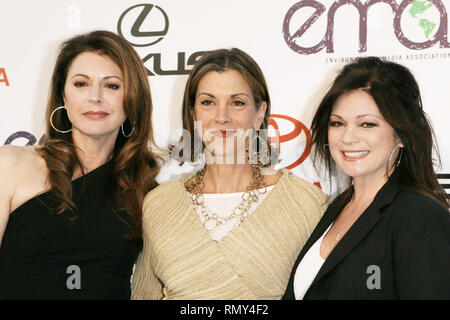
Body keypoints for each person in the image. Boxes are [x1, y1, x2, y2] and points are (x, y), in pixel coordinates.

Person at [131, 48, 327, 300]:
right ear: (193, 114)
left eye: (237, 103)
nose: (221, 117)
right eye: (208, 102)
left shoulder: (305, 203)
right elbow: (144, 295)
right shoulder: (160, 204)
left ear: (259, 114)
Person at [0, 30, 160, 299]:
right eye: (81, 84)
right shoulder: (10, 165)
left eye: (111, 85)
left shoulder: (146, 190)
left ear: (133, 98)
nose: (95, 97)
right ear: (64, 95)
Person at [283, 57, 450, 300]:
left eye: (367, 124)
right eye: (337, 123)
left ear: (402, 133)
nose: (348, 138)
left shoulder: (420, 216)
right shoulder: (336, 208)